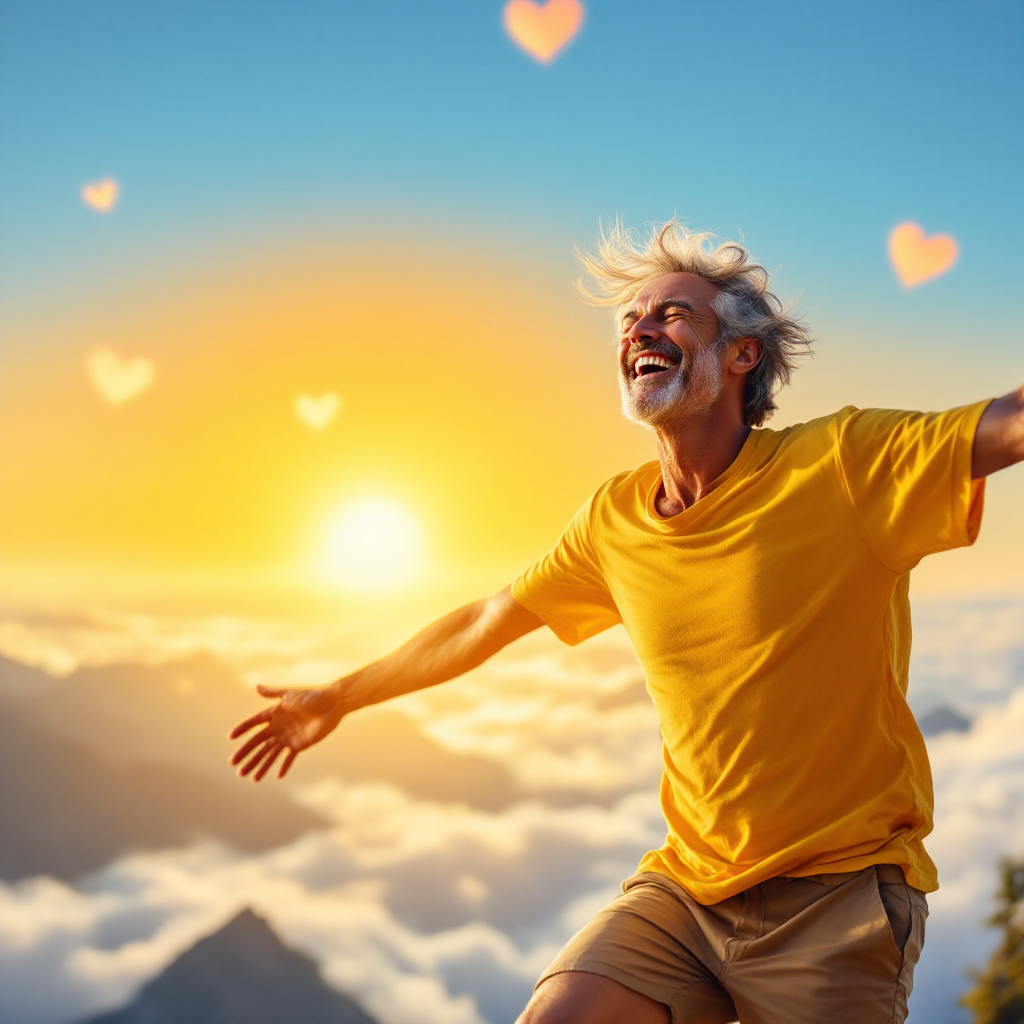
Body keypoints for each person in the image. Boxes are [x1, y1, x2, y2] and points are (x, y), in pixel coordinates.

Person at [229, 222, 1024, 1024]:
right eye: (630, 320)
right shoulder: (613, 519)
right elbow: (486, 620)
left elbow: (1007, 423)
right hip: (687, 892)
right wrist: (338, 695)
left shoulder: (842, 465)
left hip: (839, 896)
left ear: (741, 355)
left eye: (673, 314)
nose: (640, 327)